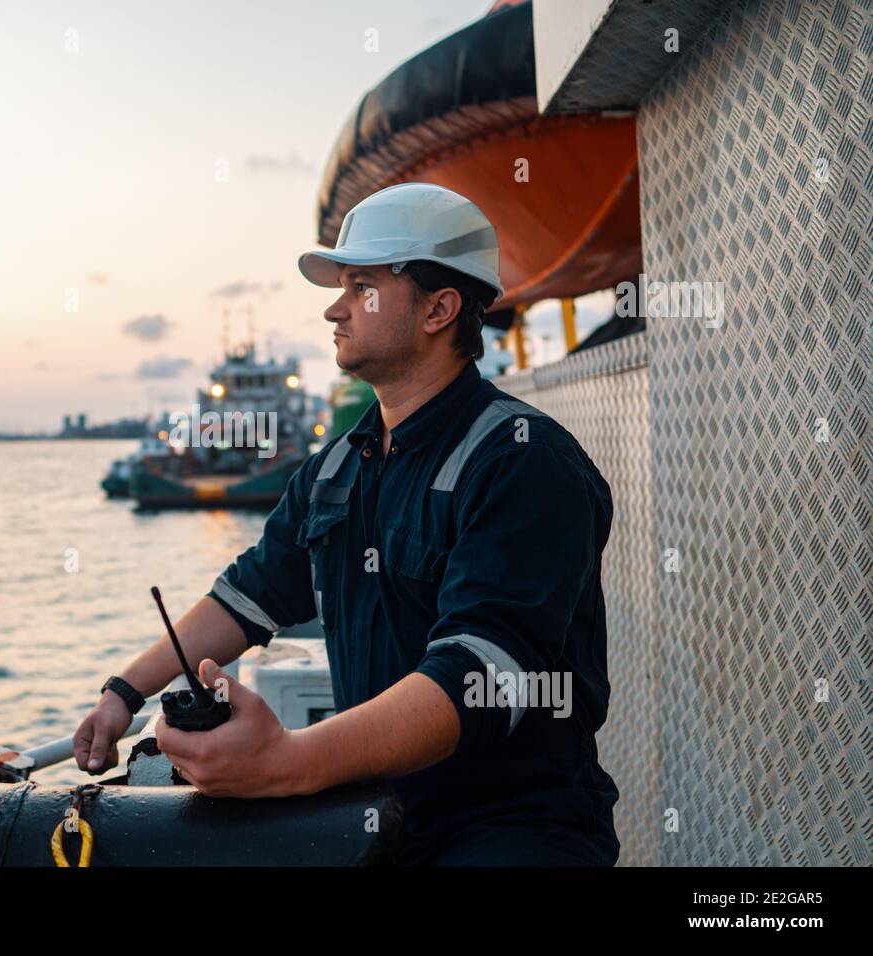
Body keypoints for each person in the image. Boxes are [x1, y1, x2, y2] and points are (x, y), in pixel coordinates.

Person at [73, 182, 621, 866]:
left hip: (511, 832)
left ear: (440, 309)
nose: (334, 308)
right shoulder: (337, 466)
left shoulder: (524, 465)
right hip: (377, 817)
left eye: (361, 286)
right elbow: (247, 595)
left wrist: (286, 762)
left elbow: (476, 679)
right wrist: (124, 693)